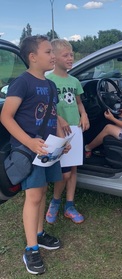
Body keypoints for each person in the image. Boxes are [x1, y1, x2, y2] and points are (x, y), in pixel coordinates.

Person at [1, 35, 70, 275]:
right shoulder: (22, 82)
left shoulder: (50, 85)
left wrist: (61, 135)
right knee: (33, 197)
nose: (53, 56)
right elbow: (6, 117)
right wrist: (29, 141)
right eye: (48, 52)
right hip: (29, 151)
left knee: (41, 192)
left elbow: (52, 113)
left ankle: (39, 234)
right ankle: (31, 248)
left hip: (47, 150)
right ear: (33, 57)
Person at [45, 39, 90, 224]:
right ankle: (55, 202)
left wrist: (84, 114)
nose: (70, 58)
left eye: (71, 54)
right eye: (66, 55)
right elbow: (46, 106)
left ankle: (69, 205)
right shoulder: (49, 80)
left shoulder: (74, 81)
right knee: (63, 172)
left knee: (73, 169)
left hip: (75, 129)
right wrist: (59, 118)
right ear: (54, 58)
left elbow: (78, 102)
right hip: (58, 131)